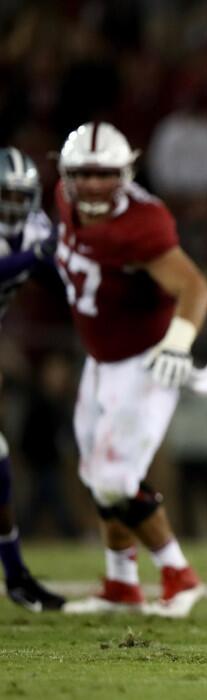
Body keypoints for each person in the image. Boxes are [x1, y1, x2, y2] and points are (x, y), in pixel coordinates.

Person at [53, 122, 207, 618]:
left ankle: (178, 574)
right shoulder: (63, 199)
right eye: (84, 174)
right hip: (99, 359)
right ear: (67, 175)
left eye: (105, 174)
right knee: (94, 471)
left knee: (115, 480)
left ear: (126, 172)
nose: (94, 184)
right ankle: (121, 583)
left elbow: (195, 289)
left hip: (143, 361)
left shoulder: (143, 222)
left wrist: (177, 344)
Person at [0, 146, 66, 612]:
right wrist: (36, 257)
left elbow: (58, 281)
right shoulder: (31, 239)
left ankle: (17, 575)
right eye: (5, 194)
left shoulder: (37, 229)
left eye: (20, 196)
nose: (13, 204)